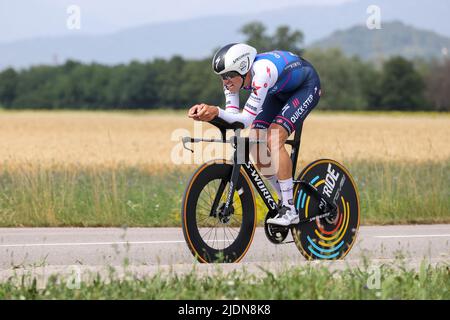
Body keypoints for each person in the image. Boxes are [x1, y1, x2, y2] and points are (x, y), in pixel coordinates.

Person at [188, 43, 321, 226]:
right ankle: (285, 198)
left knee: (273, 138)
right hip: (277, 91)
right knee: (254, 145)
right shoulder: (233, 82)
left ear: (244, 69)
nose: (226, 82)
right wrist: (208, 116)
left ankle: (290, 209)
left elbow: (245, 121)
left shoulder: (262, 72)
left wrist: (216, 112)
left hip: (305, 87)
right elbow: (234, 118)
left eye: (229, 76)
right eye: (222, 77)